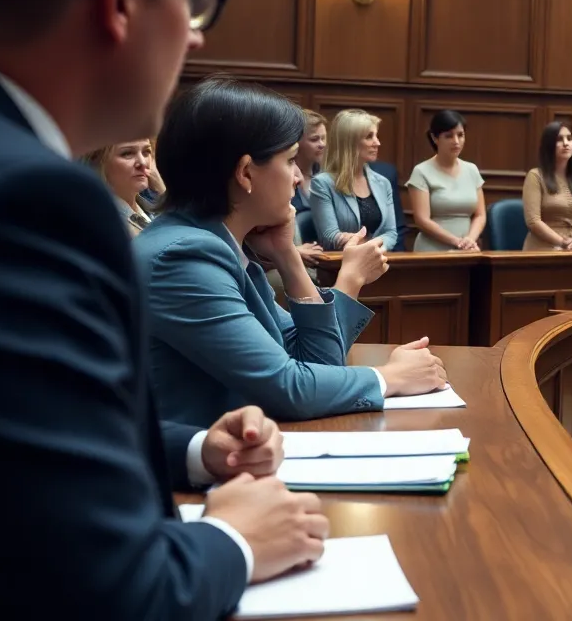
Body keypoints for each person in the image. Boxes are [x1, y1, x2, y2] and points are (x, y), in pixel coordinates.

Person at [0, 0, 327, 617]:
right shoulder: (31, 202)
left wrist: (195, 455)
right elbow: (98, 591)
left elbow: (15, 467)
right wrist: (238, 540)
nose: (199, 36)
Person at [135, 77, 447, 427]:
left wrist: (287, 256)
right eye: (290, 160)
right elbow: (287, 388)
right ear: (246, 173)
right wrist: (390, 378)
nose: (299, 178)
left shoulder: (217, 244)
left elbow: (318, 365)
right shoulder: (185, 257)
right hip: (192, 474)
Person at [311, 109, 399, 251]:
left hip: (377, 263)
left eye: (376, 136)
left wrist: (371, 250)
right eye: (369, 137)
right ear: (350, 142)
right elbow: (329, 237)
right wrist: (366, 247)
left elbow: (391, 233)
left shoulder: (383, 183)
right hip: (339, 266)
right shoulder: (322, 183)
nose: (377, 143)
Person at [407, 110, 486, 252]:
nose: (456, 141)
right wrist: (456, 242)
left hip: (468, 249)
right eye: (448, 136)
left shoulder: (472, 170)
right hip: (433, 249)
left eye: (460, 135)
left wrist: (470, 240)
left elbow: (480, 215)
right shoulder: (421, 172)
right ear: (435, 138)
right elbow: (422, 220)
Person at [523, 121, 572, 252]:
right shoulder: (535, 176)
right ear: (549, 145)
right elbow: (533, 221)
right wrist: (563, 242)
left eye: (569, 138)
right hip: (544, 248)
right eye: (559, 139)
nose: (566, 143)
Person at [84, 139, 157, 235]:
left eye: (146, 151)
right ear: (98, 161)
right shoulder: (102, 223)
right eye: (127, 153)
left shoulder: (153, 208)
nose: (143, 163)